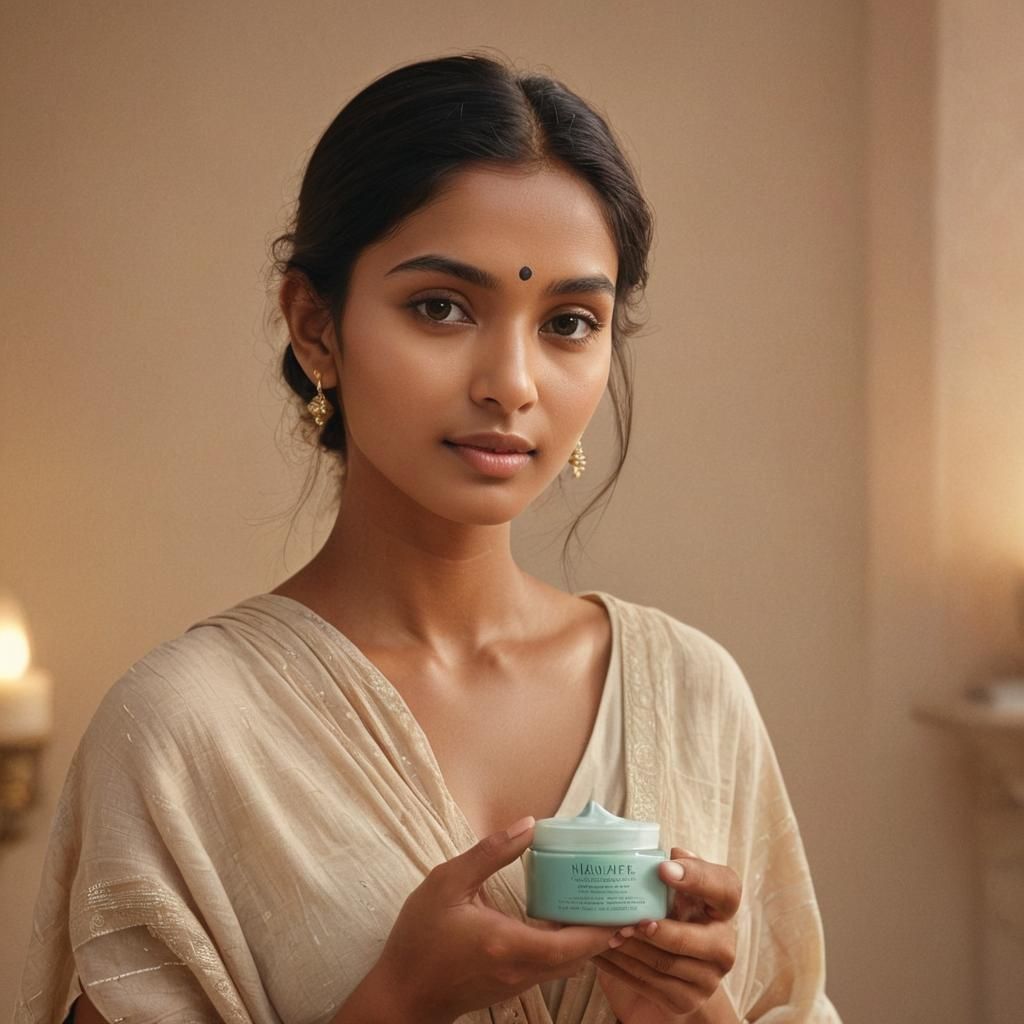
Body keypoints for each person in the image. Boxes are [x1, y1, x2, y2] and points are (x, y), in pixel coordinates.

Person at [14, 53, 841, 1024]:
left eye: (570, 322)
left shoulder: (694, 695)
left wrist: (692, 1011)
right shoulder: (182, 731)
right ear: (315, 326)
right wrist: (400, 997)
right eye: (442, 307)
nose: (512, 383)